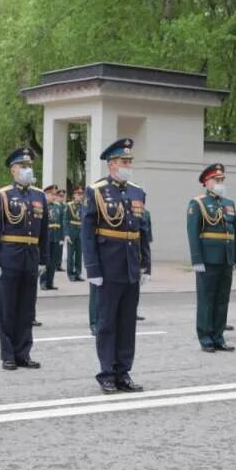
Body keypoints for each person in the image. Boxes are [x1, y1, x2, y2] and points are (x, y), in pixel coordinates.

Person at [82, 138, 151, 393]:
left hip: (131, 265)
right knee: (107, 322)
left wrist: (146, 266)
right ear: (112, 165)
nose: (128, 165)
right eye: (124, 161)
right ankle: (107, 372)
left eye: (130, 161)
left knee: (127, 323)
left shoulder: (137, 192)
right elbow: (88, 234)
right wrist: (93, 269)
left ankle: (124, 371)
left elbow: (142, 230)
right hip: (108, 266)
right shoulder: (97, 190)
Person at [0, 147, 47, 371]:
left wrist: (44, 259)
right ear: (13, 170)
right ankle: (8, 354)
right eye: (23, 166)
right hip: (9, 257)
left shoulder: (39, 196)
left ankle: (24, 353)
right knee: (8, 308)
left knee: (27, 309)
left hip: (30, 257)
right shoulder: (2, 195)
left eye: (29, 166)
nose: (27, 170)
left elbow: (44, 232)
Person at [187, 163, 236, 352]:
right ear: (206, 182)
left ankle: (218, 336)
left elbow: (235, 233)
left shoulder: (229, 204)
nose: (220, 183)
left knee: (222, 299)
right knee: (206, 299)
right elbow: (193, 233)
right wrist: (197, 260)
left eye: (222, 180)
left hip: (226, 257)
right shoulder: (199, 203)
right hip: (208, 258)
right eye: (216, 180)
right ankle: (206, 338)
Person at [40, 184, 61, 290]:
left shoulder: (57, 206)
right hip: (46, 237)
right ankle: (43, 282)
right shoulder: (42, 206)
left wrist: (61, 236)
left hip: (55, 237)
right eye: (52, 194)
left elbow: (60, 222)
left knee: (53, 261)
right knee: (45, 260)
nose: (54, 196)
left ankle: (50, 282)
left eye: (55, 194)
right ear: (46, 194)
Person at [64, 186, 85, 282]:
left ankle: (78, 273)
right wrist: (67, 234)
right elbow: (66, 220)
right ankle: (70, 274)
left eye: (81, 194)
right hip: (72, 231)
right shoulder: (69, 205)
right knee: (70, 254)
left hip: (81, 232)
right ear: (74, 195)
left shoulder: (84, 206)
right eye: (79, 194)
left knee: (79, 255)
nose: (80, 196)